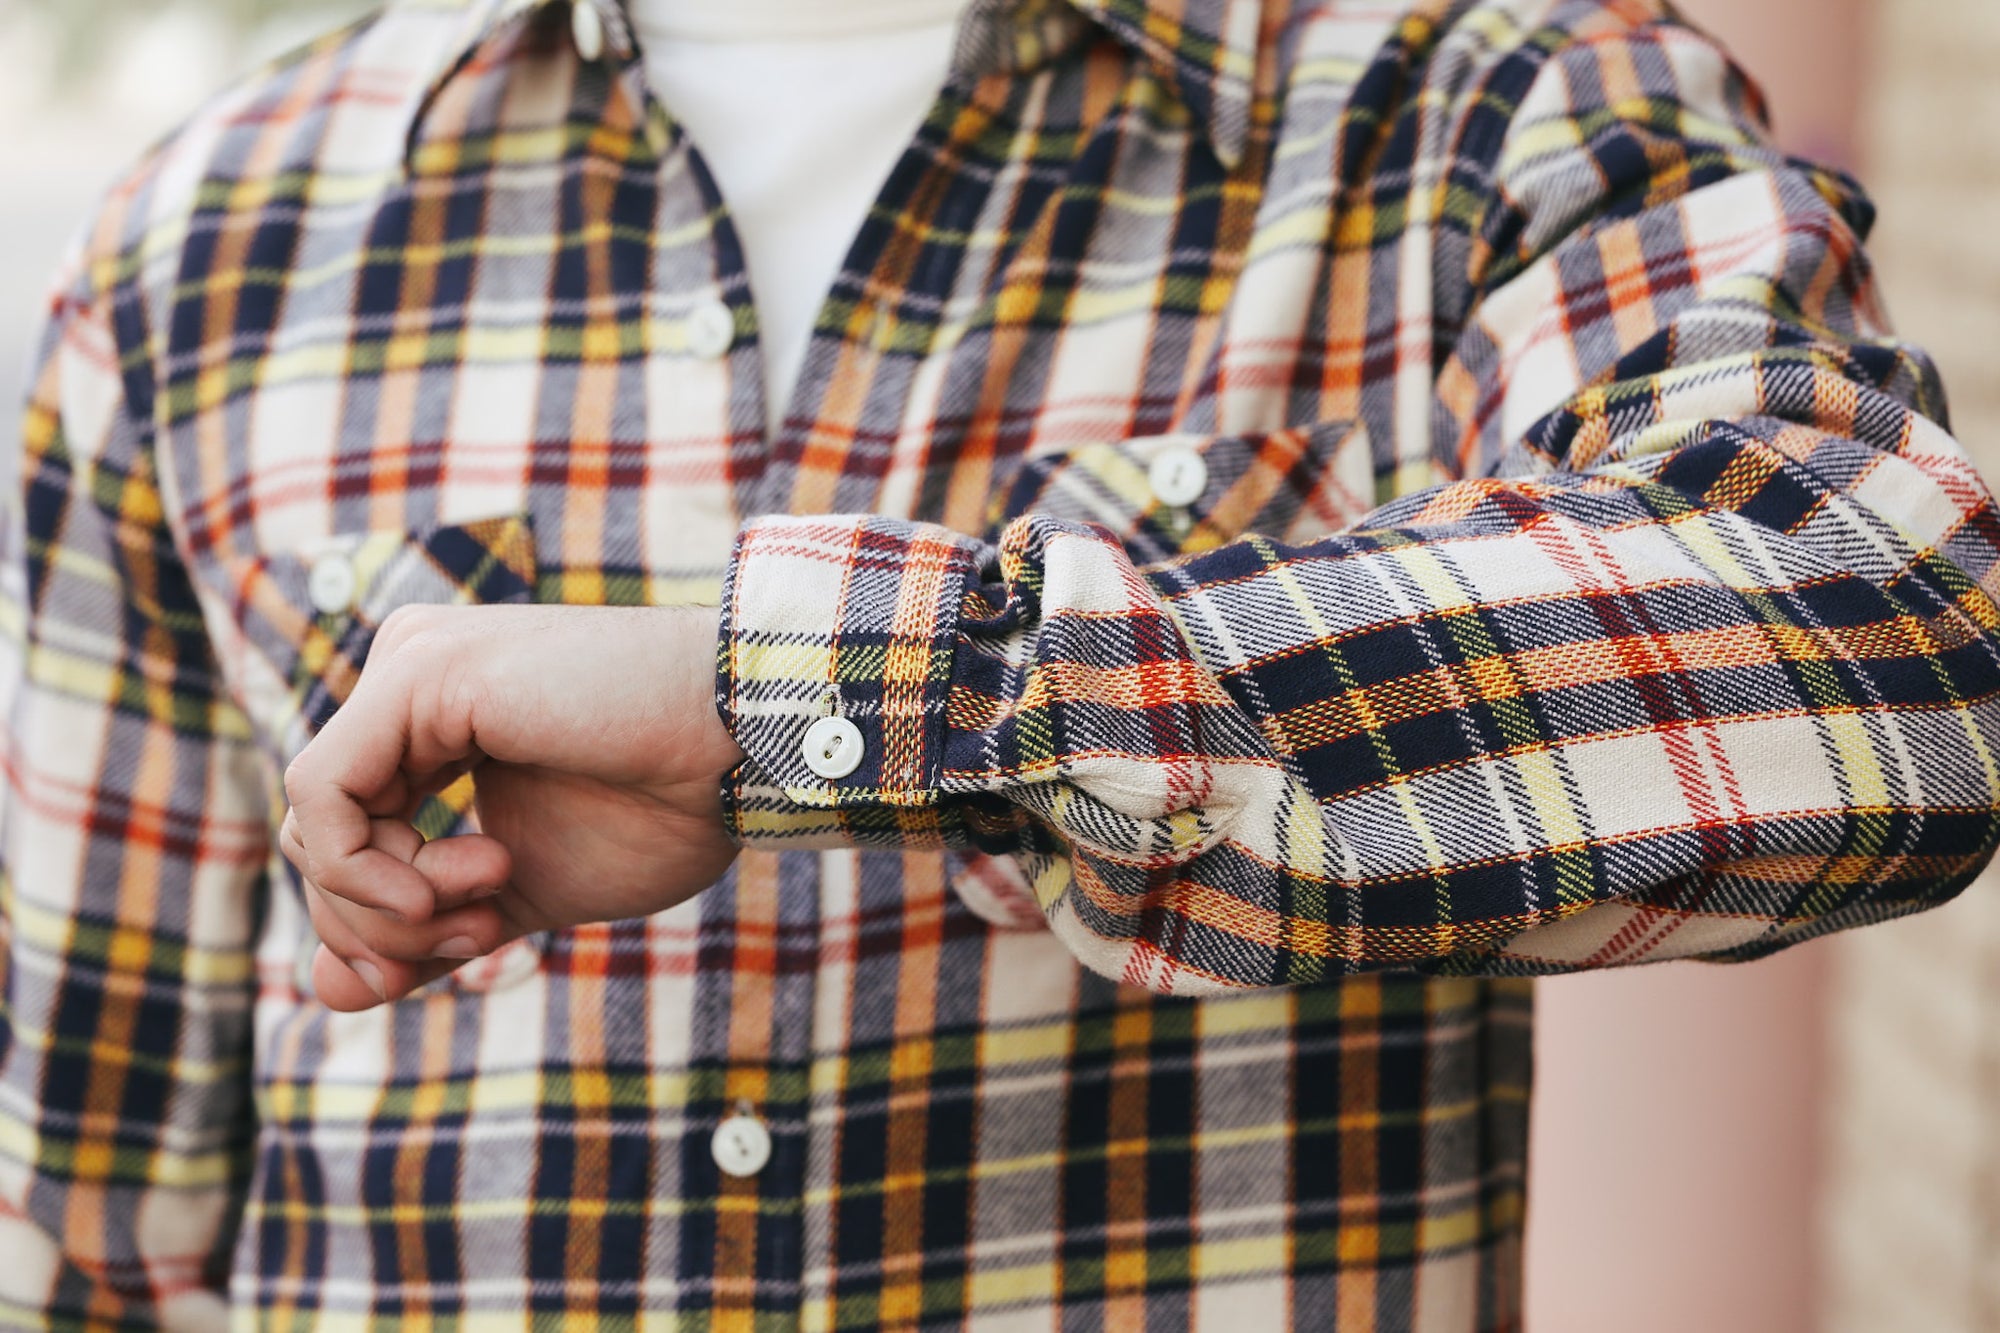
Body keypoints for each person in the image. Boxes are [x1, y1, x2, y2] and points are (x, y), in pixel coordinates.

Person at [5, 0, 1998, 1325]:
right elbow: (90, 1229)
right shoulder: (207, 239)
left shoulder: (1487, 95)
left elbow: (1876, 627)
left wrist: (802, 696)